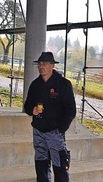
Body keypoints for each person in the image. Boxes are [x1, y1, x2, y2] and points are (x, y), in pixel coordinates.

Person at [24, 52, 76, 182]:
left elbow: (71, 109)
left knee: (60, 165)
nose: (41, 66)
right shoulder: (35, 84)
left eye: (45, 64)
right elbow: (27, 104)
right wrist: (32, 110)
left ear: (52, 65)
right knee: (41, 165)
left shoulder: (63, 84)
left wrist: (61, 129)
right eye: (40, 64)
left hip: (55, 132)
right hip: (38, 131)